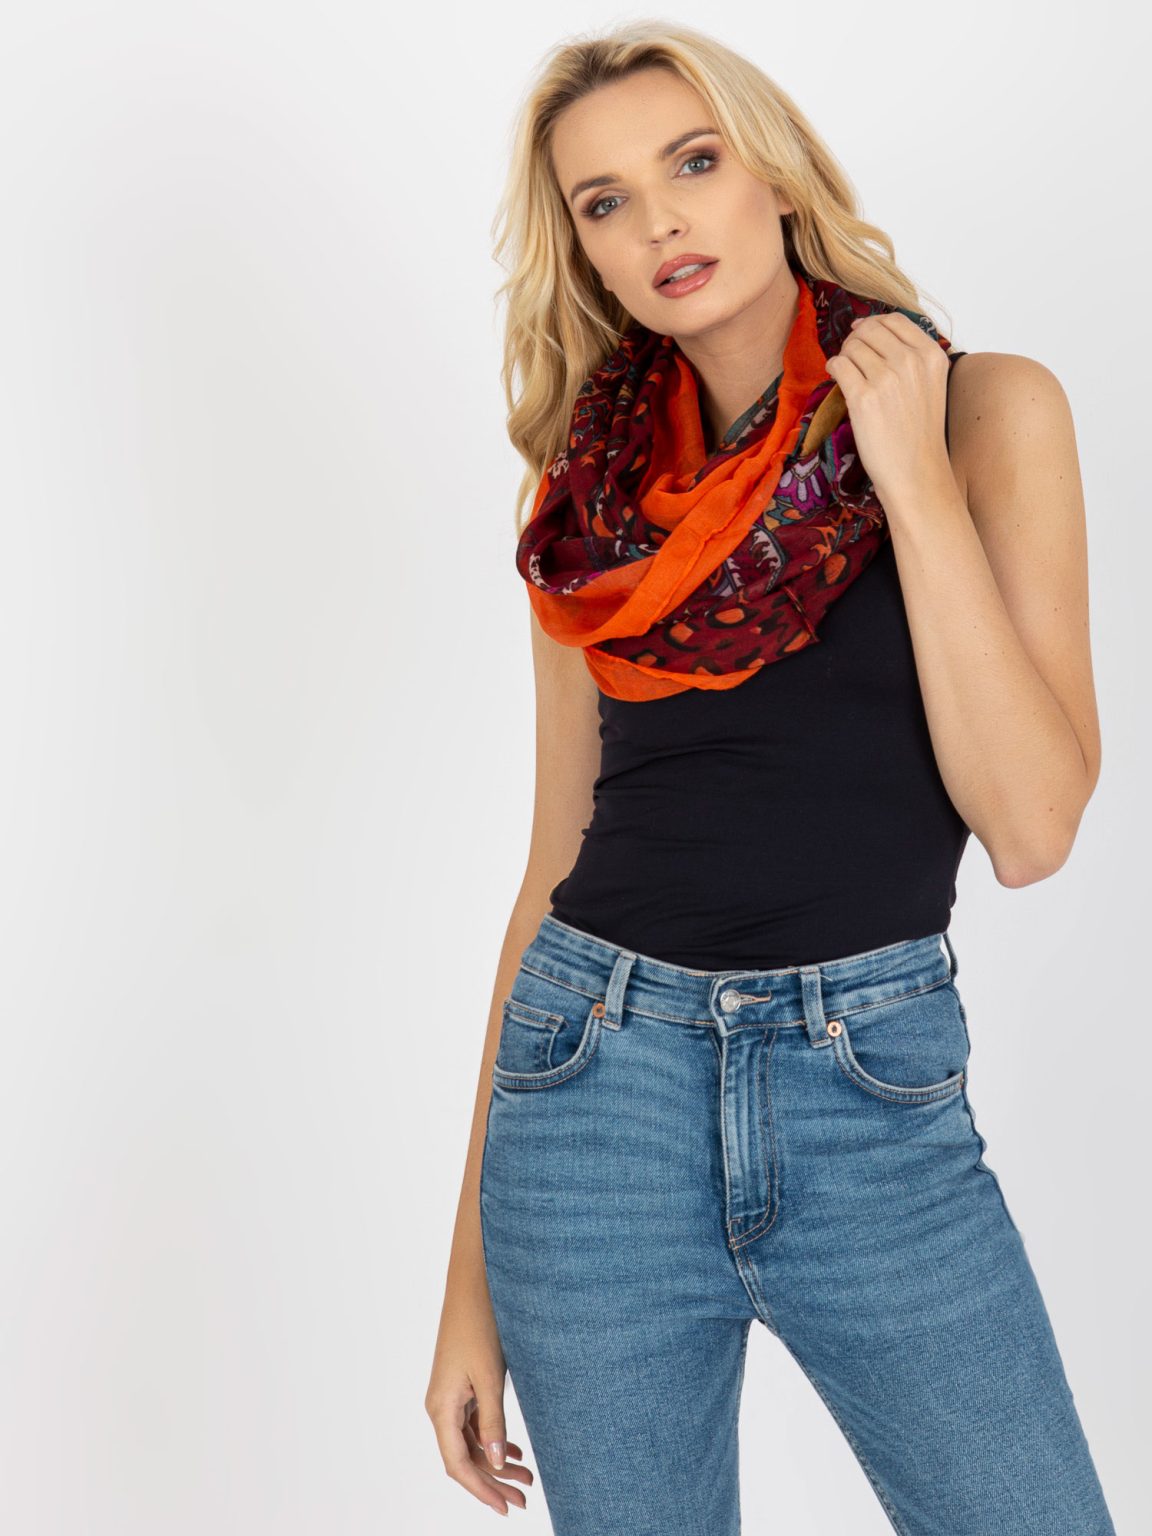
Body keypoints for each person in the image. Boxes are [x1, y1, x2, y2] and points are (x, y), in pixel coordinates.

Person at [425, 21, 1115, 1535]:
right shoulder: (586, 506)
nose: (659, 222)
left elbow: (1033, 825)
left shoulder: (987, 410)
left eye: (694, 162)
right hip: (591, 1095)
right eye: (605, 201)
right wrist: (467, 1289)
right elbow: (550, 867)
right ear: (584, 252)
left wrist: (908, 473)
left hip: (870, 1087)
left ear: (778, 177)